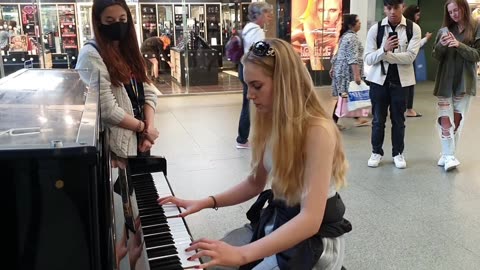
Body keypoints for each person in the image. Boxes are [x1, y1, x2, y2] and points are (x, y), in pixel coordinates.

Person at [159, 39, 351, 270]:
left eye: (257, 86)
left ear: (284, 83)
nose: (249, 95)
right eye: (247, 85)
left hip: (311, 242)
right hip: (281, 221)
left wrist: (241, 255)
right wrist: (205, 202)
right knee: (206, 259)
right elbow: (254, 183)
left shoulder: (317, 131)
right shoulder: (271, 121)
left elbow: (310, 220)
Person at [75, 0, 160, 266]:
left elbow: (148, 90)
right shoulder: (91, 54)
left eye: (122, 19)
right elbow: (107, 109)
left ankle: (131, 251)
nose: (118, 26)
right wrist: (142, 128)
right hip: (119, 146)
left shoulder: (127, 49)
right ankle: (121, 256)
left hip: (140, 140)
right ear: (98, 22)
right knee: (124, 205)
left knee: (137, 205)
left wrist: (148, 128)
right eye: (110, 21)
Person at [364, 0, 421, 169]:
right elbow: (368, 58)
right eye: (389, 8)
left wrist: (385, 55)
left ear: (402, 7)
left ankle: (398, 153)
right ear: (384, 9)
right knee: (378, 120)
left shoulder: (413, 28)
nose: (392, 12)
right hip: (378, 82)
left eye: (396, 7)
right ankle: (376, 152)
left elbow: (410, 57)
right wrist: (384, 49)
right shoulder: (376, 29)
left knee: (399, 120)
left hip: (401, 83)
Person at [432, 0, 479, 171]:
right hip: (445, 80)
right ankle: (449, 155)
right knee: (445, 119)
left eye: (456, 10)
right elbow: (436, 55)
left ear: (464, 8)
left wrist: (459, 45)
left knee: (457, 121)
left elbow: (477, 55)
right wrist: (441, 45)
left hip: (464, 81)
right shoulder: (444, 31)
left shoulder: (476, 27)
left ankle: (447, 154)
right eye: (450, 12)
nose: (454, 14)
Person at [235, 2, 273, 149]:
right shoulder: (257, 31)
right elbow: (259, 55)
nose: (269, 17)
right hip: (253, 71)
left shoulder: (246, 28)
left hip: (244, 68)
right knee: (253, 105)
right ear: (259, 15)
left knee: (249, 103)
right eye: (267, 14)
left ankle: (243, 138)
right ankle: (244, 139)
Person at [330, 14, 370, 129]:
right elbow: (352, 58)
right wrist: (357, 76)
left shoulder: (345, 36)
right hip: (347, 72)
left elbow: (338, 54)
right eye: (358, 21)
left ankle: (358, 118)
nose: (360, 23)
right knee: (345, 96)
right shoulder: (352, 38)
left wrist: (333, 67)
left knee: (347, 96)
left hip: (341, 70)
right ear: (351, 24)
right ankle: (334, 121)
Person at [291, 0, 343, 71]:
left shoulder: (341, 25)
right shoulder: (309, 23)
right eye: (321, 10)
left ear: (340, 11)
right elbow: (313, 58)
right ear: (315, 10)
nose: (326, 17)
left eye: (333, 10)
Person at [403, 5, 433, 117]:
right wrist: (425, 39)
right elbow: (415, 46)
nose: (419, 17)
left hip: (405, 58)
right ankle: (408, 109)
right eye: (418, 15)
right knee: (409, 84)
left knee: (406, 84)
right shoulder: (412, 27)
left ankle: (406, 108)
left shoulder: (405, 26)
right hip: (408, 59)